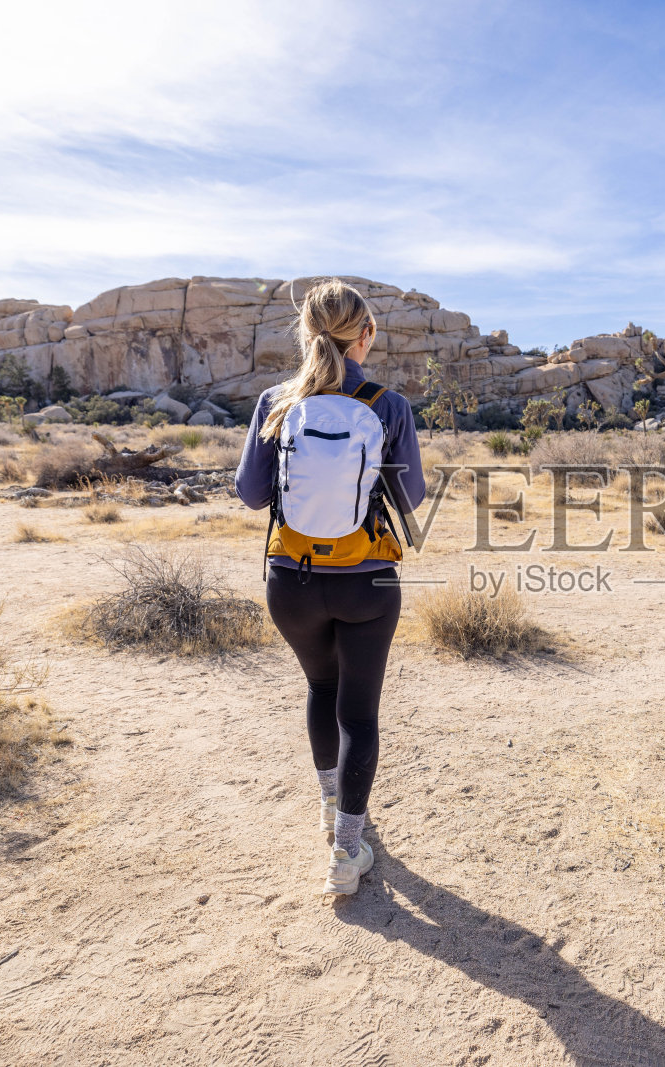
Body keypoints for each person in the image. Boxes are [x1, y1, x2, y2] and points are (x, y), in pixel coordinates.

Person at [234, 279, 425, 895]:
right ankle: (347, 850)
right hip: (366, 581)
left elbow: (252, 494)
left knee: (321, 685)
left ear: (307, 334)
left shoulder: (275, 402)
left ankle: (327, 807)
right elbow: (410, 497)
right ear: (365, 335)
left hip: (291, 579)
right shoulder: (387, 405)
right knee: (359, 713)